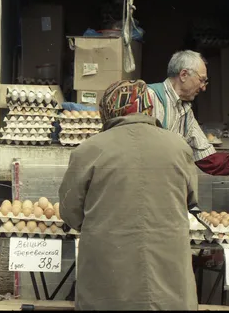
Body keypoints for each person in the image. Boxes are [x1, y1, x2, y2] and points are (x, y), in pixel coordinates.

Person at [59, 80, 199, 311]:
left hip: (108, 283)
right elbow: (191, 199)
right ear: (148, 107)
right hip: (168, 284)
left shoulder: (88, 150)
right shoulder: (178, 147)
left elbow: (70, 213)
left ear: (108, 109)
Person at [147, 50, 229, 181]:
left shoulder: (186, 112)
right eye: (202, 80)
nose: (203, 87)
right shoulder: (148, 97)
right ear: (183, 75)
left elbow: (205, 156)